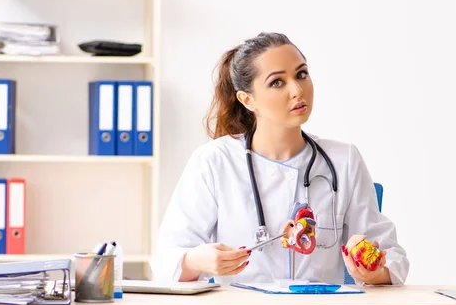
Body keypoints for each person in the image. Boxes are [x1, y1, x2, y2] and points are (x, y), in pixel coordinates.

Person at [151, 32, 409, 286]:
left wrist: (374, 271)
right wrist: (197, 260)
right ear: (247, 99)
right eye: (277, 82)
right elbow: (166, 261)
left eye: (301, 75)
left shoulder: (344, 160)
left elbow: (391, 254)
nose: (297, 90)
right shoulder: (214, 161)